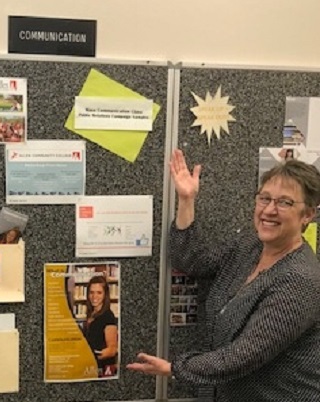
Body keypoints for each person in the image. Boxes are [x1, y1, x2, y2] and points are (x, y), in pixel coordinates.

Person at [127, 149, 320, 401]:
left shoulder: (299, 279)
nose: (269, 210)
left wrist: (175, 368)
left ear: (307, 215)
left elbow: (246, 355)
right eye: (264, 198)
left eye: (284, 202)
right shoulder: (249, 246)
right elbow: (193, 261)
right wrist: (186, 200)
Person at [83, 275, 119, 378]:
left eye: (99, 293)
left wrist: (92, 356)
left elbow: (112, 349)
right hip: (90, 368)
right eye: (91, 292)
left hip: (103, 369)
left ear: (105, 295)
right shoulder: (91, 314)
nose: (94, 297)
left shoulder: (108, 316)